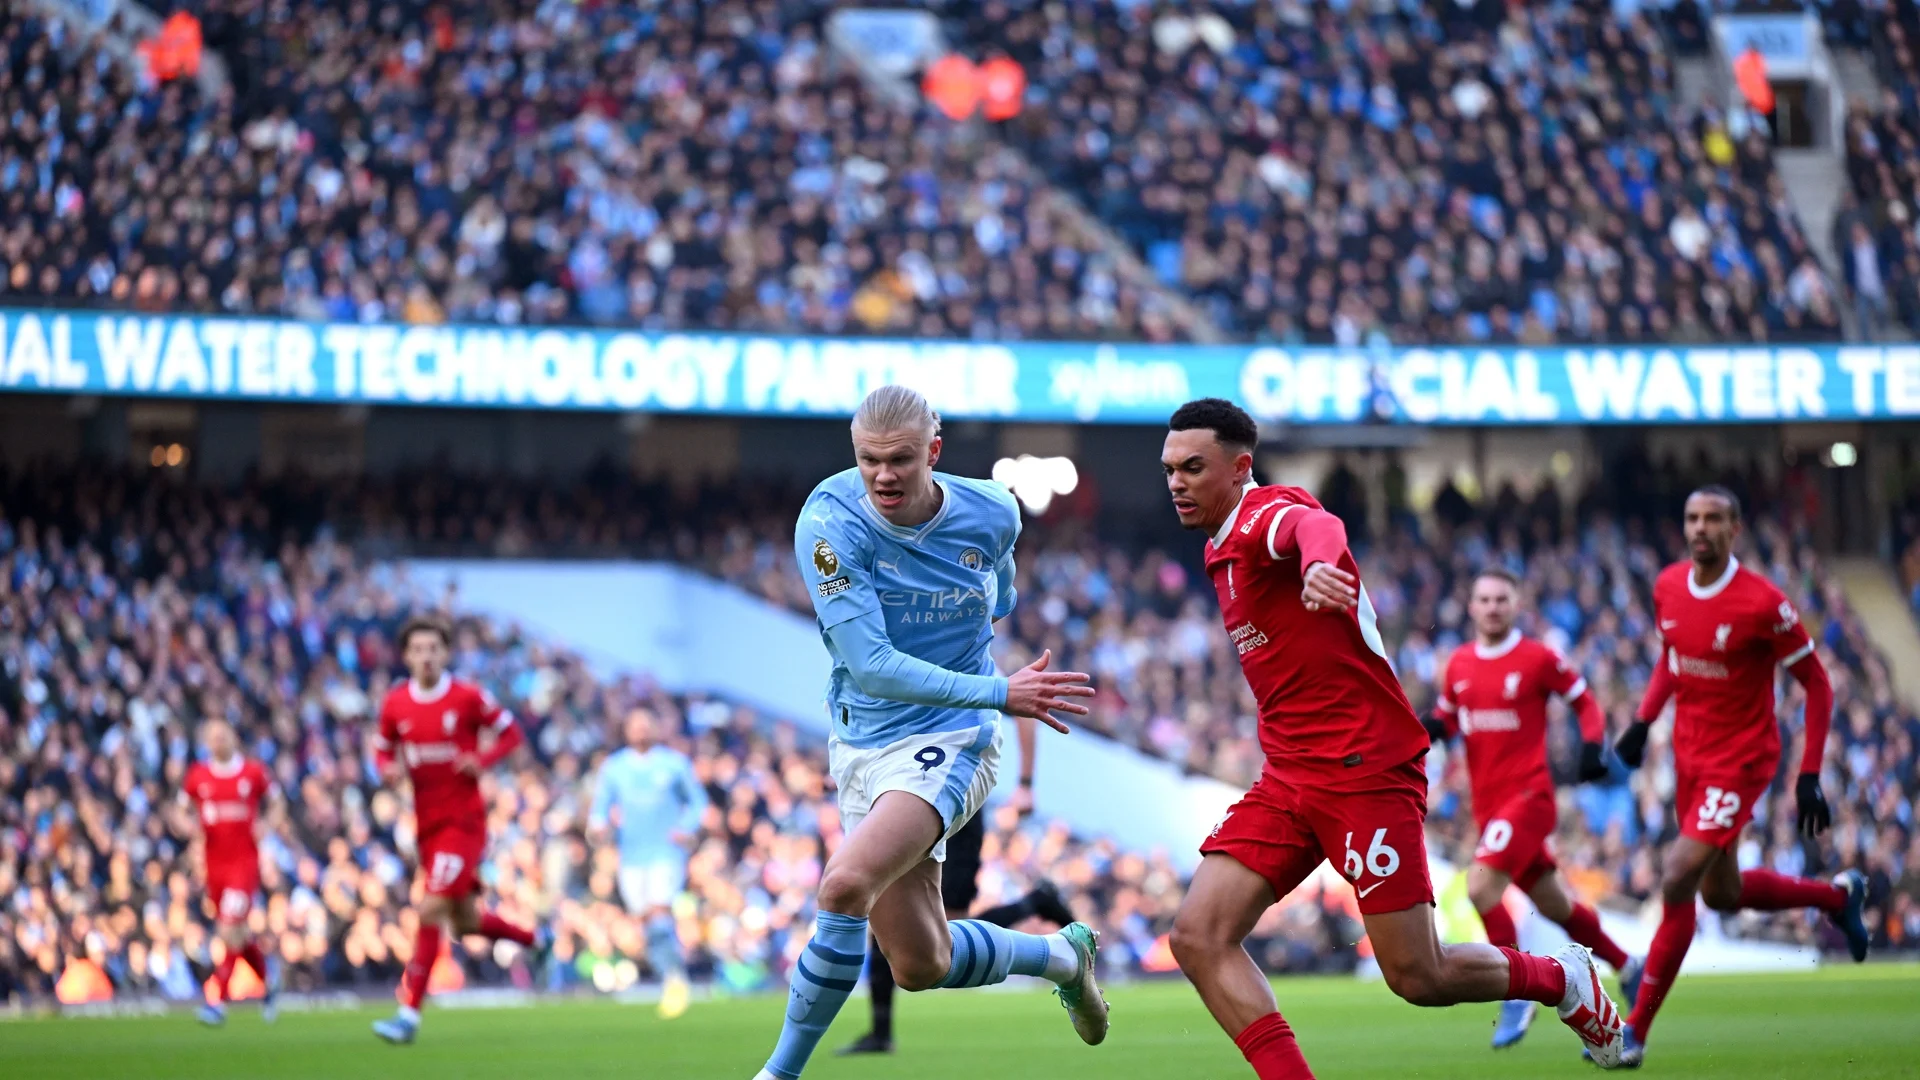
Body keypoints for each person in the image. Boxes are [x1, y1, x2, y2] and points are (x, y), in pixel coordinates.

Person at [1158, 398, 1626, 1078]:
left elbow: (1315, 526)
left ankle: (1560, 979)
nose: (1176, 481)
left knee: (1417, 976)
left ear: (1240, 468)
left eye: (1193, 468)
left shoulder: (1265, 517)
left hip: (1363, 769)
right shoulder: (1216, 549)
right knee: (1198, 937)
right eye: (1170, 469)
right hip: (1290, 775)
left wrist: (1324, 564)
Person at [751, 385, 1107, 1080]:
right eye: (869, 460)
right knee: (919, 963)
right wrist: (1003, 689)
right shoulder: (828, 525)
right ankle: (1063, 958)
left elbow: (1000, 592)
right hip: (862, 738)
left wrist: (991, 698)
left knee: (844, 885)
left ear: (933, 454)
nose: (883, 475)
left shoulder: (993, 510)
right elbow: (873, 666)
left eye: (901, 461)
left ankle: (777, 1073)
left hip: (954, 732)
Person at [1610, 487, 1870, 1066]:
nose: (1700, 528)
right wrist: (1641, 721)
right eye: (1692, 518)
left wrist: (1809, 776)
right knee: (1720, 894)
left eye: (1713, 519)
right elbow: (1671, 658)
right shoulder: (1668, 586)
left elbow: (1819, 685)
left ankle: (1635, 1031)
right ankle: (1837, 896)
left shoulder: (1763, 603)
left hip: (1742, 761)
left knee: (1676, 879)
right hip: (1689, 758)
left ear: (1735, 529)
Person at [1426, 568, 1642, 1049]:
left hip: (1529, 798)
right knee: (1555, 905)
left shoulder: (1537, 658)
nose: (1493, 607)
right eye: (1484, 599)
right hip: (1491, 809)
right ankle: (1629, 965)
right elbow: (1445, 717)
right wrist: (1422, 734)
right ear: (1472, 607)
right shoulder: (1458, 664)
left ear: (1516, 604)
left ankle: (1516, 989)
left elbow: (1585, 702)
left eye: (1502, 598)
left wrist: (1591, 746)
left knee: (1479, 887)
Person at [838, 713, 1078, 1056]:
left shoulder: (963, 662)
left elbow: (1022, 706)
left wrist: (1025, 783)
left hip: (952, 800)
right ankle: (880, 1032)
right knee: (884, 916)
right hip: (901, 796)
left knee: (944, 933)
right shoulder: (896, 666)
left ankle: (1038, 905)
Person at [369, 615, 548, 1045]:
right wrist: (388, 770)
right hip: (427, 824)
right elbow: (381, 752)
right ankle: (536, 939)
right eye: (418, 649)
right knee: (465, 922)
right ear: (407, 655)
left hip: (463, 823)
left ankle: (408, 1014)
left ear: (445, 653)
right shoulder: (396, 703)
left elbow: (510, 734)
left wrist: (481, 761)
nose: (426, 656)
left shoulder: (467, 697)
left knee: (429, 908)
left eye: (434, 648)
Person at [590, 706, 710, 1019]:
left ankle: (675, 981)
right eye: (635, 725)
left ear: (655, 729)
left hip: (665, 852)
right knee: (644, 921)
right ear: (626, 729)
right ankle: (669, 974)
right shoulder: (615, 767)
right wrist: (599, 823)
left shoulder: (673, 764)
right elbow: (601, 804)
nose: (641, 730)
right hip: (631, 854)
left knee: (659, 912)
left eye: (647, 724)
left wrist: (686, 828)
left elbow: (697, 801)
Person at [183, 719, 279, 1026]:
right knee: (238, 934)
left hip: (243, 865)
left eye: (223, 736)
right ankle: (269, 982)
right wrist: (189, 829)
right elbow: (178, 809)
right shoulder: (198, 776)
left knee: (227, 929)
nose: (219, 742)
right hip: (215, 867)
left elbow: (277, 803)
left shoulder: (252, 772)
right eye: (213, 738)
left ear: (233, 738)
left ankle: (218, 1002)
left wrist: (268, 825)